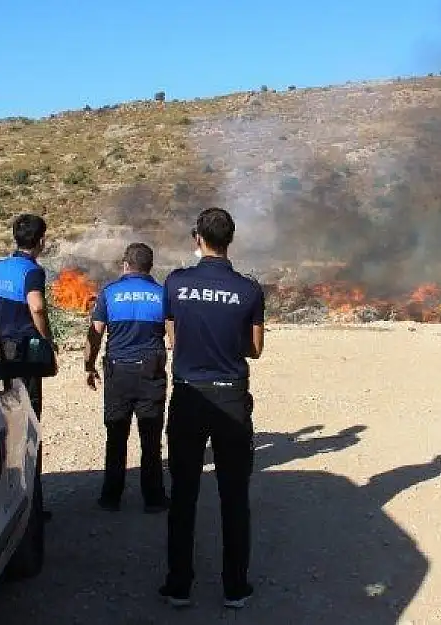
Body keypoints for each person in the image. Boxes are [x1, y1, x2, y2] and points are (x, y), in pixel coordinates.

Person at [158, 207, 265, 610]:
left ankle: (179, 585)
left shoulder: (177, 283)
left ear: (197, 238)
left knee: (183, 493)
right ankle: (235, 587)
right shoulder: (249, 290)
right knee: (234, 495)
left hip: (188, 395)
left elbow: (171, 336)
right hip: (231, 396)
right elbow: (255, 349)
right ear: (230, 240)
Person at [0, 213, 56, 520]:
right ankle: (31, 506)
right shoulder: (32, 271)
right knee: (27, 425)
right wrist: (48, 340)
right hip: (25, 357)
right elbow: (36, 306)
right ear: (40, 241)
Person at [85, 243, 169, 514]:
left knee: (116, 436)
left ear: (125, 264)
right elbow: (175, 337)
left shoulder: (109, 293)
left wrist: (88, 365)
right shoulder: (162, 294)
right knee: (151, 439)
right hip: (151, 374)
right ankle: (154, 499)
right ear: (150, 266)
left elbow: (95, 334)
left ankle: (111, 498)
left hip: (118, 372)